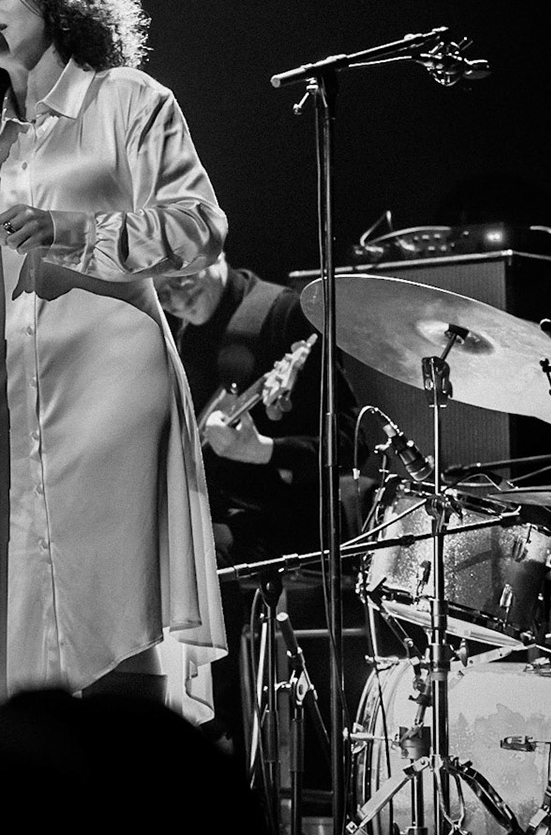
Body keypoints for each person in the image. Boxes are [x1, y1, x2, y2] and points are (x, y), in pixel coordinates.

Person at [0, 0, 228, 724]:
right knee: (1, 579)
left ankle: (124, 751)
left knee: (104, 586)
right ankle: (20, 757)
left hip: (113, 372)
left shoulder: (127, 99)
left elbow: (198, 227)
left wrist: (73, 232)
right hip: (5, 379)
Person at [157, 253, 356, 771]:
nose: (176, 299)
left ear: (215, 251)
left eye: (182, 282)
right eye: (164, 290)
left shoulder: (283, 315)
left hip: (279, 534)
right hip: (209, 525)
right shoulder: (177, 332)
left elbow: (348, 441)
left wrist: (265, 450)